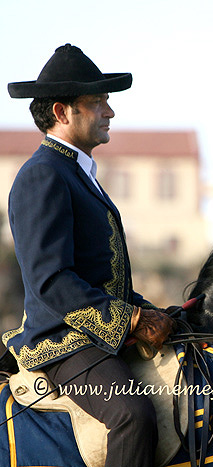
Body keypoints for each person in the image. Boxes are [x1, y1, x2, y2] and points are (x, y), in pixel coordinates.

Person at [3, 44, 175, 466]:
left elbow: (104, 279)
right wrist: (131, 320)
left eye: (107, 102)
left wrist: (155, 311)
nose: (109, 112)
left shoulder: (77, 172)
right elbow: (51, 281)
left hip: (96, 332)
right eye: (97, 102)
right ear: (62, 113)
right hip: (62, 341)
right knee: (132, 415)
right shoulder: (42, 174)